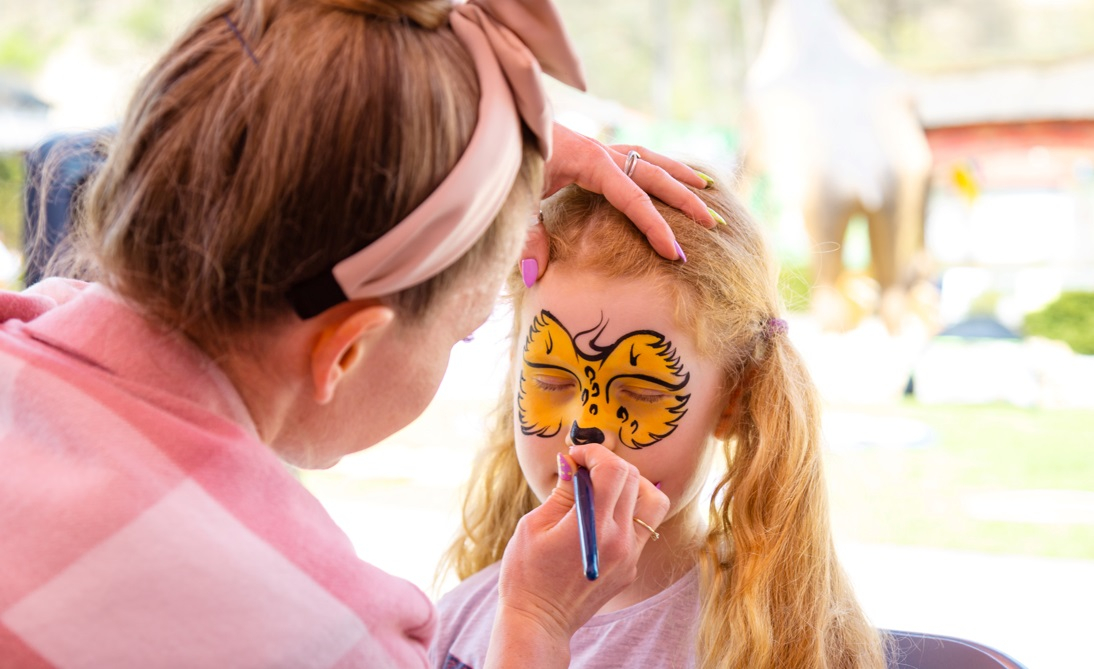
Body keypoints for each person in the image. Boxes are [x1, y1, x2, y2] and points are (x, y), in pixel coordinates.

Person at [0, 0, 720, 666]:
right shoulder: (323, 637)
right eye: (461, 334)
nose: (587, 424)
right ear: (343, 350)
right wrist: (537, 623)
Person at [433, 169, 889, 668]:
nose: (586, 430)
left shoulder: (774, 644)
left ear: (733, 399)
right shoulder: (454, 629)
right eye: (553, 381)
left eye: (640, 391)